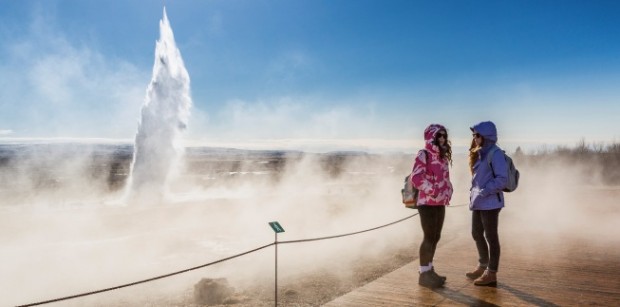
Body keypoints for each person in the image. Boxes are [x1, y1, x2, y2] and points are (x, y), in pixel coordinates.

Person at [410, 124, 453, 288]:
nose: (442, 138)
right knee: (428, 237)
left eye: (444, 136)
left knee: (436, 236)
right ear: (431, 137)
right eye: (439, 136)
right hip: (427, 203)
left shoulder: (442, 156)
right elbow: (416, 177)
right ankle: (423, 274)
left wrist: (448, 191)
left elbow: (446, 178)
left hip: (440, 202)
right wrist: (433, 190)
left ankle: (429, 270)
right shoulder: (424, 154)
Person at [466, 121, 508, 287]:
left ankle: (491, 273)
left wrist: (483, 191)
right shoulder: (481, 152)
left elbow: (502, 179)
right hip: (479, 202)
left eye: (477, 135)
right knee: (476, 233)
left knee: (491, 237)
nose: (474, 138)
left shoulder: (495, 153)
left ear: (486, 136)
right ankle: (483, 265)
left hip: (490, 202)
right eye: (474, 135)